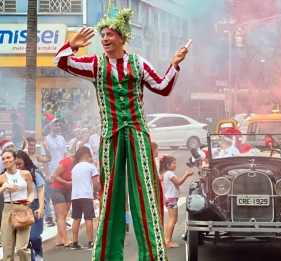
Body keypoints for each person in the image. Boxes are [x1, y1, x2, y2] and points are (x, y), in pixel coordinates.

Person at [54, 2, 187, 259]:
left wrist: (174, 64)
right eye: (102, 35)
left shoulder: (138, 63)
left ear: (122, 38)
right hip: (111, 134)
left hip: (138, 132)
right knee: (110, 193)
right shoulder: (95, 64)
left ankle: (152, 254)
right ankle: (107, 255)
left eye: (109, 35)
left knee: (145, 190)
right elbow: (60, 62)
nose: (104, 39)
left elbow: (162, 87)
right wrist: (72, 44)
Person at [51, 147, 91, 247]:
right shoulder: (67, 161)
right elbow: (55, 175)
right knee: (62, 214)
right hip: (57, 189)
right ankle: (66, 240)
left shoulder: (80, 165)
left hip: (69, 189)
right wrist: (67, 182)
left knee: (64, 214)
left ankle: (59, 239)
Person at [0, 150, 35, 261]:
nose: (6, 160)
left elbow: (31, 192)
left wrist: (29, 200)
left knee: (21, 248)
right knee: (8, 250)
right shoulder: (2, 177)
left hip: (23, 209)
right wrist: (5, 187)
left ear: (15, 159)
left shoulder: (25, 174)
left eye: (8, 157)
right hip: (8, 210)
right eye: (4, 159)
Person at [15, 150, 45, 261]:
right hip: (20, 207)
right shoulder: (13, 174)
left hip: (35, 205)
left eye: (20, 164)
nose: (18, 167)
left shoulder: (34, 172)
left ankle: (38, 251)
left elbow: (41, 190)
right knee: (25, 240)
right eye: (16, 164)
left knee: (34, 236)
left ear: (25, 162)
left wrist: (41, 207)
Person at [159, 156, 193, 248]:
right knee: (172, 219)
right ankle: (168, 240)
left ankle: (167, 239)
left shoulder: (166, 173)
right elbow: (178, 182)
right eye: (174, 163)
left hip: (169, 199)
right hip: (171, 199)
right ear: (168, 165)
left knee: (173, 219)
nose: (176, 165)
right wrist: (186, 174)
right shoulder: (170, 174)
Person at [70, 148, 99, 250]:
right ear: (89, 158)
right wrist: (95, 193)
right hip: (86, 194)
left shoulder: (74, 168)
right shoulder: (91, 167)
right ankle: (90, 242)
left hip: (75, 195)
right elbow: (95, 183)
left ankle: (75, 242)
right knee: (88, 218)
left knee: (76, 218)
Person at [41, 117, 67, 227]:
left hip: (61, 172)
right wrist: (47, 174)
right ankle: (48, 218)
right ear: (51, 126)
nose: (58, 127)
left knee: (60, 196)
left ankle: (60, 218)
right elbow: (44, 158)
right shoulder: (46, 140)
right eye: (55, 125)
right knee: (47, 196)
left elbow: (65, 156)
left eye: (58, 125)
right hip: (51, 172)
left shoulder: (61, 139)